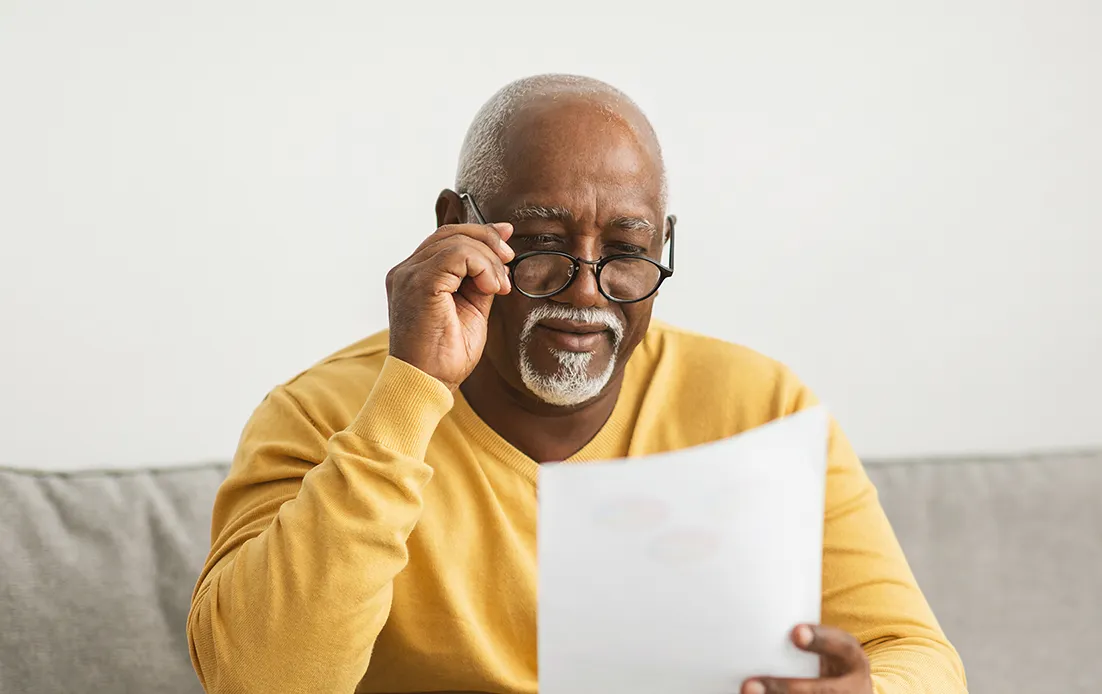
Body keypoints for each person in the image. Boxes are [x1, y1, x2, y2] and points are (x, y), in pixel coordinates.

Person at [186, 74, 966, 694]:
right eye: (541, 242)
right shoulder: (323, 415)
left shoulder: (761, 407)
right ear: (457, 224)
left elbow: (916, 654)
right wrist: (411, 391)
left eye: (626, 248)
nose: (587, 290)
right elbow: (259, 683)